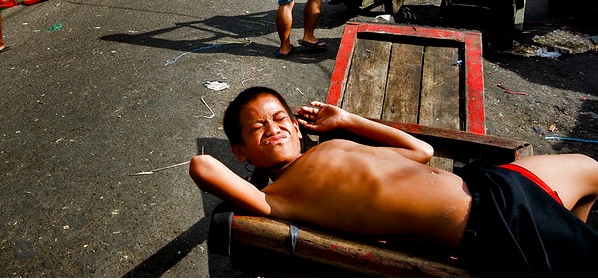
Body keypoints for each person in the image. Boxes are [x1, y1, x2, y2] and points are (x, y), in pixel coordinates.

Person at [189, 86, 598, 277]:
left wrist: (348, 120)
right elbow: (202, 167)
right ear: (240, 151)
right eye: (256, 128)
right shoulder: (277, 198)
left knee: (586, 165)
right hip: (488, 224)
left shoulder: (329, 148)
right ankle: (563, 246)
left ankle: (566, 236)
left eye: (280, 118)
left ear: (298, 128)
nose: (272, 127)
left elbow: (421, 152)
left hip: (490, 184)